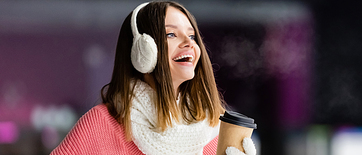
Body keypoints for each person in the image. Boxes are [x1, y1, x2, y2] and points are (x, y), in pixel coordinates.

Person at [51, 1, 255, 155]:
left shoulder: (214, 130)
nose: (189, 43)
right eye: (171, 35)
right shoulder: (102, 125)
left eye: (192, 36)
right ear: (144, 52)